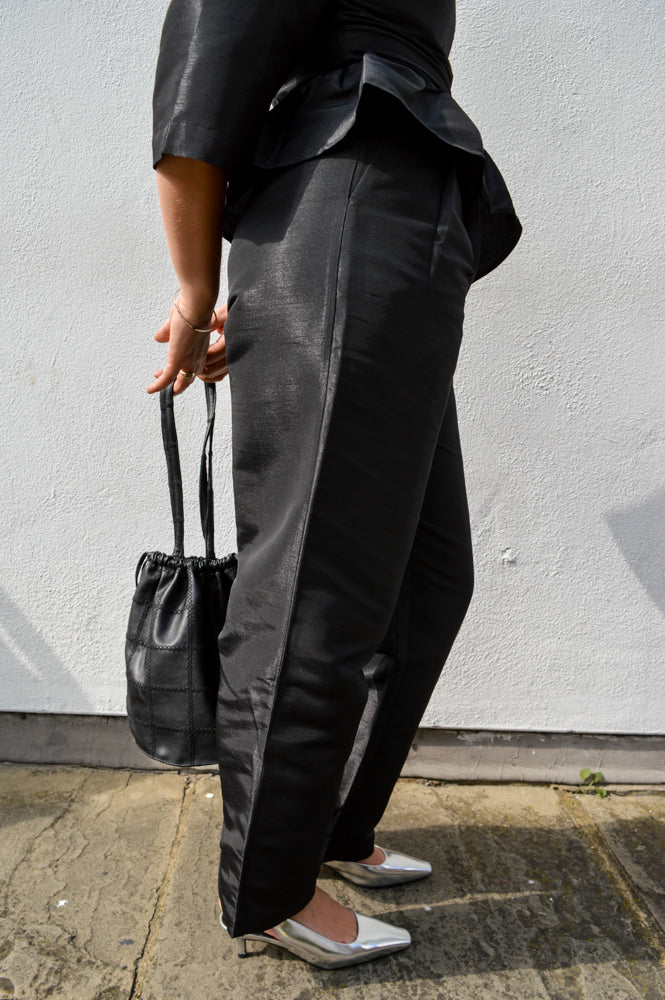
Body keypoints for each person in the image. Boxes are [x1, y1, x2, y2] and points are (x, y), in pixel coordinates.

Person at [146, 0, 522, 971]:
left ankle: (329, 828)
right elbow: (208, 60)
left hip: (401, 218)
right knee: (313, 584)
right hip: (349, 196)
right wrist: (196, 287)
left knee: (427, 583)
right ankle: (269, 887)